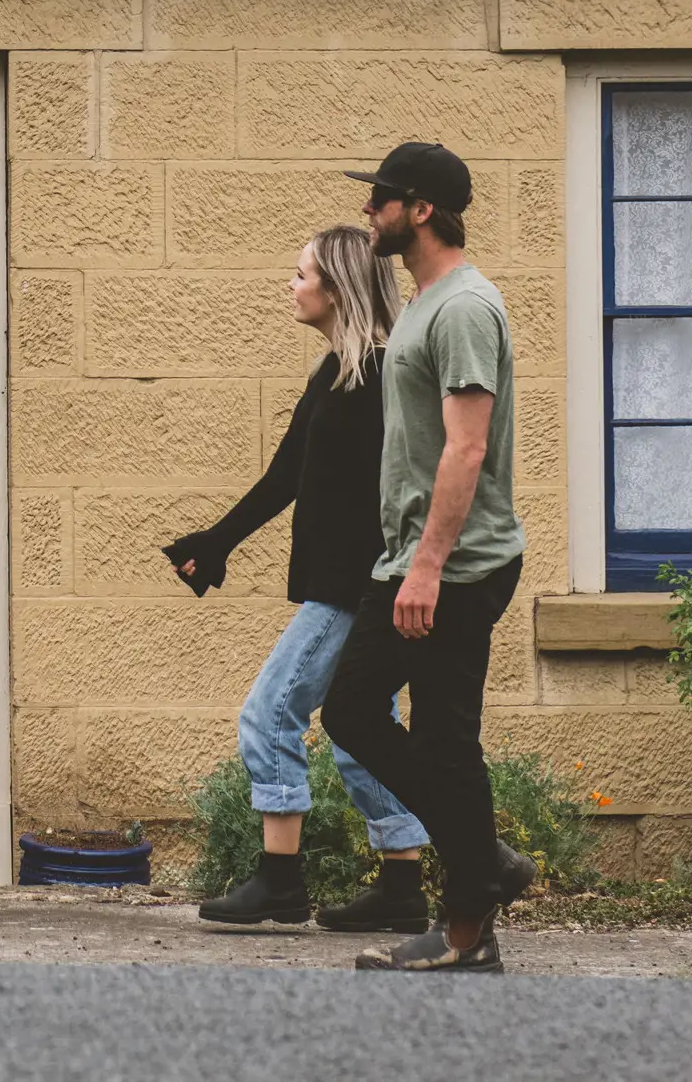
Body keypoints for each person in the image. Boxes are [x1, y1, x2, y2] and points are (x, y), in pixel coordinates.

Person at [165, 223, 433, 930]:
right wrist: (216, 542)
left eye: (301, 273)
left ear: (337, 285)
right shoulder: (334, 373)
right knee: (360, 731)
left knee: (268, 712)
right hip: (344, 585)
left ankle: (280, 881)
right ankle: (402, 889)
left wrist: (405, 575)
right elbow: (287, 473)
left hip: (355, 588)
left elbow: (417, 482)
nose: (290, 284)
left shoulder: (384, 375)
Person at [319, 139, 534, 974]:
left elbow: (465, 448)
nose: (367, 209)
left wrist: (427, 565)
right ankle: (484, 864)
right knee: (354, 710)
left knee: (442, 740)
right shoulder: (422, 301)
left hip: (458, 562)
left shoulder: (464, 308)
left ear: (419, 208)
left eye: (380, 197)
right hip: (413, 556)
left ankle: (466, 929)